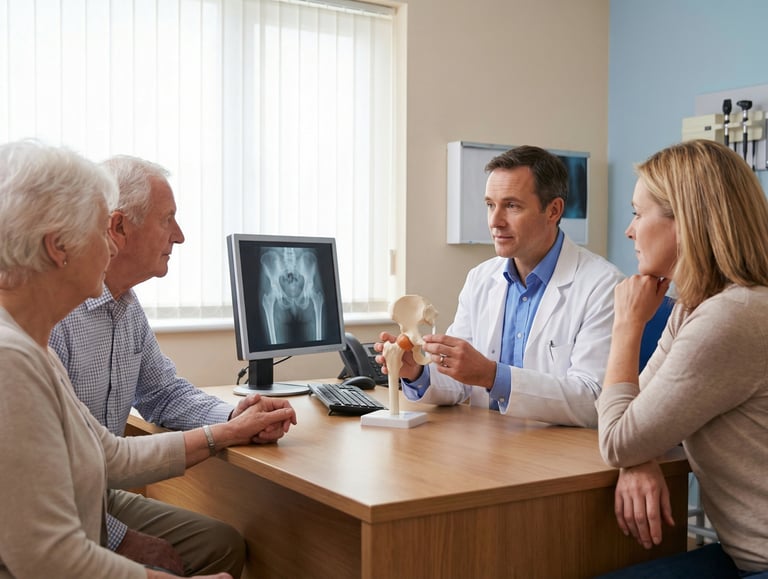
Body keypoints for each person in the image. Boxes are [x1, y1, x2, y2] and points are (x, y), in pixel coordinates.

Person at [0, 139, 297, 578]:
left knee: (221, 542)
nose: (111, 248)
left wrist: (231, 427)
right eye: (101, 231)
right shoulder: (12, 360)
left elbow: (111, 455)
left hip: (88, 496)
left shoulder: (31, 344)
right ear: (59, 246)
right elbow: (49, 557)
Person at [596, 139, 768, 578]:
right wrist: (640, 453)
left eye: (637, 213)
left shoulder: (732, 316)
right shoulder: (696, 308)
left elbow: (619, 438)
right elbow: (635, 424)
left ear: (685, 222)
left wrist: (627, 325)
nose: (629, 231)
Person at [377, 145, 624, 427]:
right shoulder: (480, 279)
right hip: (490, 448)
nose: (495, 221)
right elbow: (459, 383)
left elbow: (593, 400)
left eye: (512, 206)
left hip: (556, 456)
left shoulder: (603, 285)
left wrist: (493, 376)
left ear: (553, 210)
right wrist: (416, 372)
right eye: (490, 205)